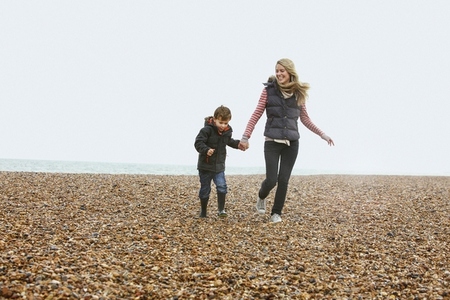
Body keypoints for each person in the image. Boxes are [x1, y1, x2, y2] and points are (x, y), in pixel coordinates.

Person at [239, 58, 334, 224]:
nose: (279, 73)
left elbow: (305, 119)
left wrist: (322, 134)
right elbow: (256, 114)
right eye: (277, 70)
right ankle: (262, 196)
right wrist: (245, 136)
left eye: (282, 70)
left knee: (283, 180)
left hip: (292, 143)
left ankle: (276, 213)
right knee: (271, 180)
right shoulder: (268, 91)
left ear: (290, 72)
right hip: (272, 142)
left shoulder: (298, 93)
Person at [194, 105, 244, 218]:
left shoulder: (227, 131)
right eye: (221, 122)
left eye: (226, 123)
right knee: (205, 189)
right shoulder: (206, 130)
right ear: (215, 119)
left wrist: (238, 144)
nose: (223, 125)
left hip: (219, 166)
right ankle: (203, 211)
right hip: (205, 166)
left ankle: (221, 210)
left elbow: (229, 141)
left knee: (222, 187)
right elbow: (198, 143)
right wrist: (206, 150)